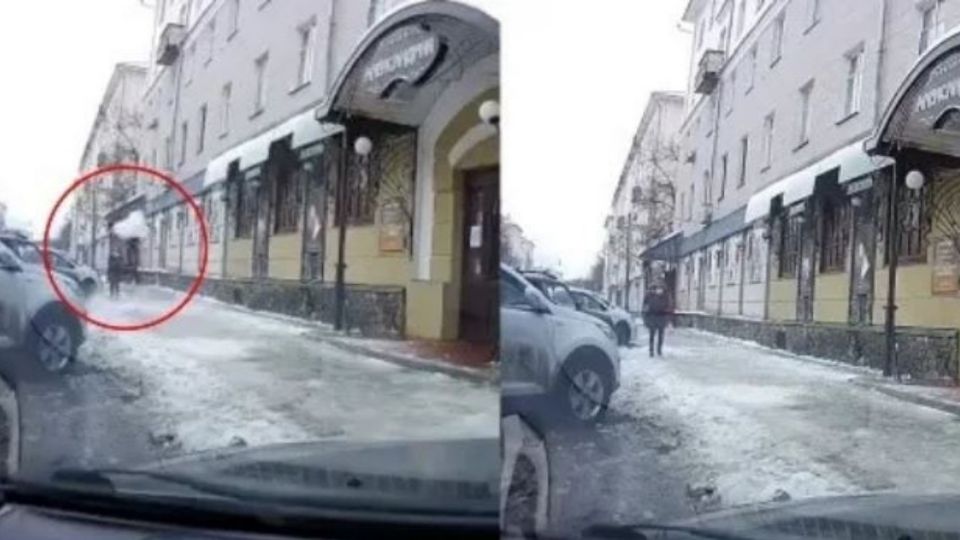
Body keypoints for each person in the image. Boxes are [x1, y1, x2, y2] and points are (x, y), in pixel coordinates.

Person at [641, 284, 673, 357]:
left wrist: (668, 320)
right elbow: (645, 307)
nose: (659, 291)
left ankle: (659, 350)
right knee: (652, 335)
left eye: (661, 289)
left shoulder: (665, 297)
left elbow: (668, 308)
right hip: (652, 319)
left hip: (661, 319)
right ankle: (651, 351)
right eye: (658, 289)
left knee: (660, 335)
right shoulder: (651, 296)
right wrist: (645, 318)